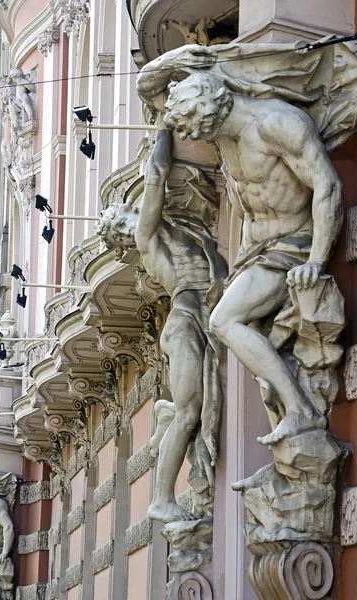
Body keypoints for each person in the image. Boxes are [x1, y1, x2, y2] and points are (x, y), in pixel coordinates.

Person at [137, 46, 343, 446]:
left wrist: (316, 260)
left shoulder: (276, 123)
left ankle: (302, 413)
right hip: (257, 253)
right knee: (257, 347)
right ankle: (290, 423)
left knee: (223, 321)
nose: (194, 139)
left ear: (211, 110)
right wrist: (173, 61)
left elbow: (327, 185)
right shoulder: (223, 134)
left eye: (196, 129)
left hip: (294, 246)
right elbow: (150, 89)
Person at [96, 127, 226, 523]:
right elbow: (156, 173)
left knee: (196, 407)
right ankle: (162, 497)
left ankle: (165, 416)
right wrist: (166, 124)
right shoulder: (146, 235)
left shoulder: (176, 230)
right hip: (187, 319)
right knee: (191, 412)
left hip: (205, 309)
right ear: (123, 234)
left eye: (125, 211)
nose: (131, 213)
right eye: (123, 218)